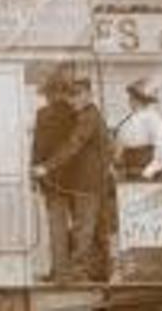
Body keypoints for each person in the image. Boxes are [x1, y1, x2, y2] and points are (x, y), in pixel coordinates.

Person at [33, 78, 111, 282]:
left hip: (86, 182)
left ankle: (77, 272)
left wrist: (45, 167)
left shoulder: (88, 117)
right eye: (70, 95)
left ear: (88, 95)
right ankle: (79, 271)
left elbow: (74, 144)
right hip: (82, 181)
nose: (71, 100)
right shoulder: (82, 115)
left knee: (84, 228)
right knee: (86, 227)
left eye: (75, 95)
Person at [32, 73, 77, 282]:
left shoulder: (42, 114)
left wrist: (35, 171)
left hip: (51, 178)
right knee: (81, 225)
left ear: (50, 93)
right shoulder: (77, 113)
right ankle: (77, 270)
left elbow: (38, 147)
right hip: (77, 179)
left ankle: (59, 271)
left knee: (56, 226)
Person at [114, 77, 162, 180]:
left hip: (145, 174)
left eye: (132, 97)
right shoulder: (127, 121)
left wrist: (149, 171)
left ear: (141, 100)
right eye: (131, 97)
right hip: (127, 172)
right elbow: (120, 143)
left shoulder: (153, 119)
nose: (129, 100)